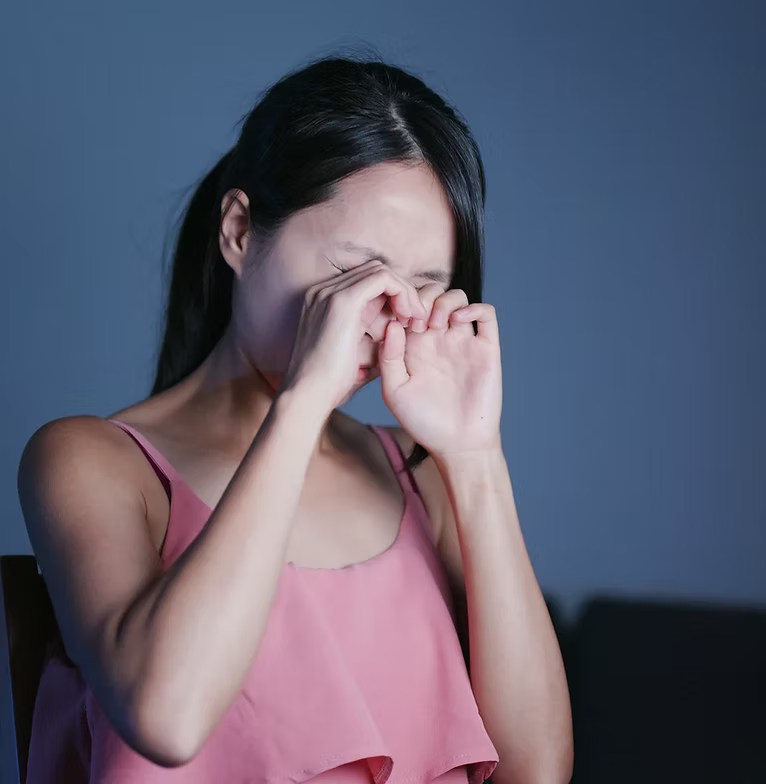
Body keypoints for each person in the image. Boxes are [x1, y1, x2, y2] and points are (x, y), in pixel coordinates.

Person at [17, 54, 573, 784]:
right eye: (353, 273)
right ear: (240, 232)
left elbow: (538, 771)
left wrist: (476, 456)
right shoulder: (93, 462)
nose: (387, 314)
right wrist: (303, 401)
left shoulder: (420, 471)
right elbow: (169, 719)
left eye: (423, 287)